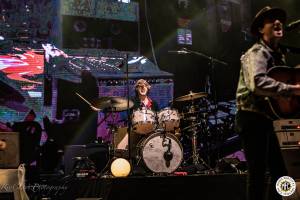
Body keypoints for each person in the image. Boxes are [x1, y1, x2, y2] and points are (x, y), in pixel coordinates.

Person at [235, 6, 300, 200]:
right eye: (271, 20)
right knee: (257, 173)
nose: (278, 22)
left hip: (266, 119)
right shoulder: (257, 52)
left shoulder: (277, 55)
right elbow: (258, 83)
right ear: (261, 29)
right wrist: (294, 90)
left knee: (280, 173)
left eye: (279, 19)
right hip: (251, 117)